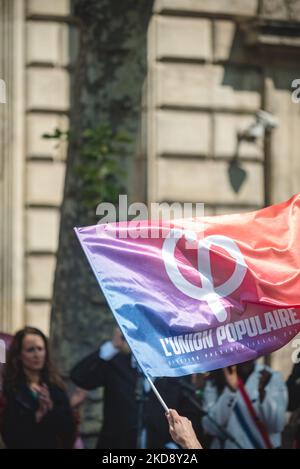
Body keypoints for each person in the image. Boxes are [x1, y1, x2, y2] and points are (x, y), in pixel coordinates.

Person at [70, 326, 202, 449]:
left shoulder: (176, 373)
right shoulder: (117, 364)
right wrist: (113, 346)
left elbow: (191, 414)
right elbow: (80, 377)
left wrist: (174, 446)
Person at [0, 327, 76, 448]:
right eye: (30, 350)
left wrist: (51, 408)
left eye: (40, 349)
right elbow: (10, 434)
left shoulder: (56, 386)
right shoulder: (10, 389)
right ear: (19, 355)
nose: (37, 355)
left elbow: (69, 430)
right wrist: (37, 415)